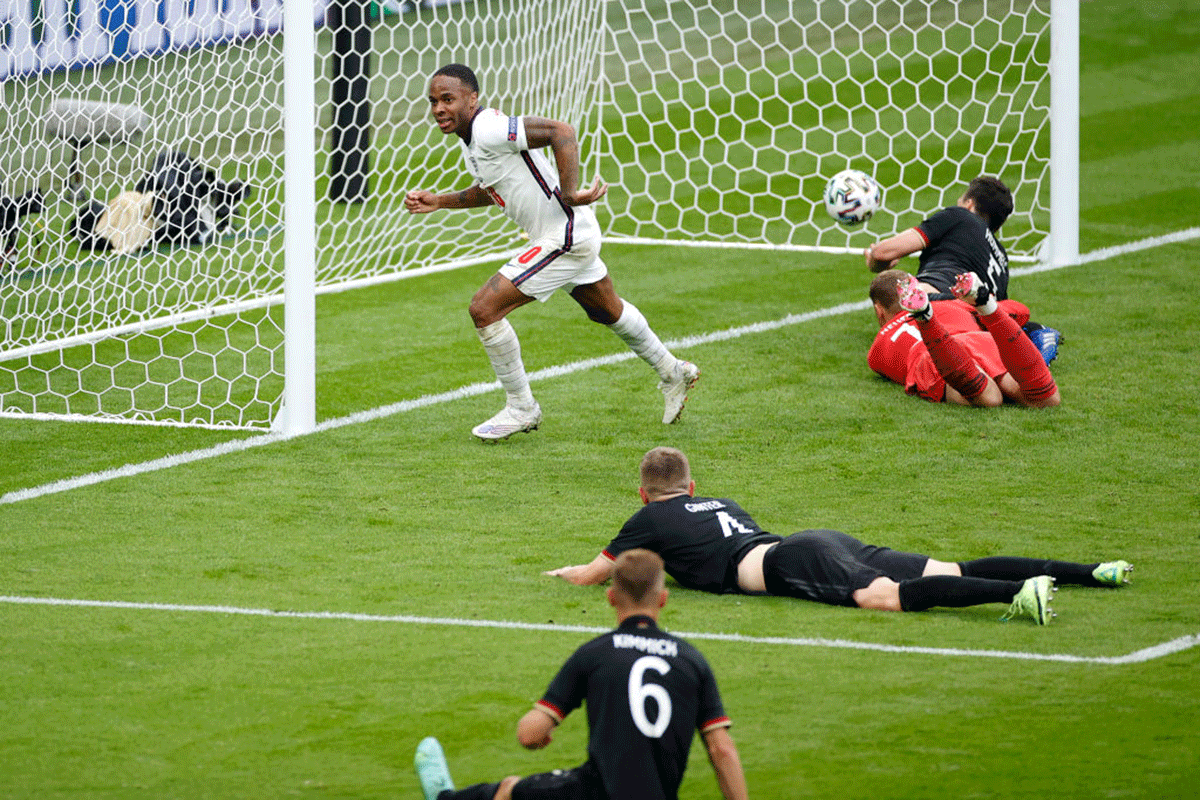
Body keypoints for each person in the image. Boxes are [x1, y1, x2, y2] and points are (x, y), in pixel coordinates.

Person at [405, 64, 699, 441]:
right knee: (606, 309)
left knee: (484, 309)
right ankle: (674, 371)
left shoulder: (489, 127)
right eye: (433, 102)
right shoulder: (474, 142)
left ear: (472, 98)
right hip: (566, 234)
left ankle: (522, 408)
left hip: (565, 235)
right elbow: (492, 190)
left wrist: (569, 191)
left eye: (448, 99)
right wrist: (440, 201)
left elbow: (562, 132)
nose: (439, 109)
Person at [547, 447, 1132, 626]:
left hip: (791, 561)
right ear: (693, 484)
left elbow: (596, 574)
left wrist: (559, 575)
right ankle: (1091, 571)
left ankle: (1016, 595)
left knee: (885, 597)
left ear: (643, 493)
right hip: (819, 539)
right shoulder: (721, 501)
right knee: (947, 568)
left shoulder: (647, 520)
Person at [414, 549, 749, 800]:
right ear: (663, 598)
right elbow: (722, 751)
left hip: (594, 792)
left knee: (508, 791)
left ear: (610, 597)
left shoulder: (596, 654)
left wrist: (541, 734)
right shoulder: (691, 661)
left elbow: (528, 734)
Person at [862, 174, 1062, 363]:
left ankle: (1030, 331)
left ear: (969, 204)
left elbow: (882, 253)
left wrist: (875, 260)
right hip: (974, 322)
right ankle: (1029, 332)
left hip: (938, 297)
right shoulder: (1002, 258)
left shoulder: (959, 216)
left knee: (887, 289)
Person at [868, 269, 1061, 407]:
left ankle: (925, 318)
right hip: (979, 339)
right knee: (1045, 399)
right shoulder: (951, 304)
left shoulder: (876, 351)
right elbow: (1020, 311)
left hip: (934, 357)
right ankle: (987, 304)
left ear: (879, 312)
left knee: (990, 398)